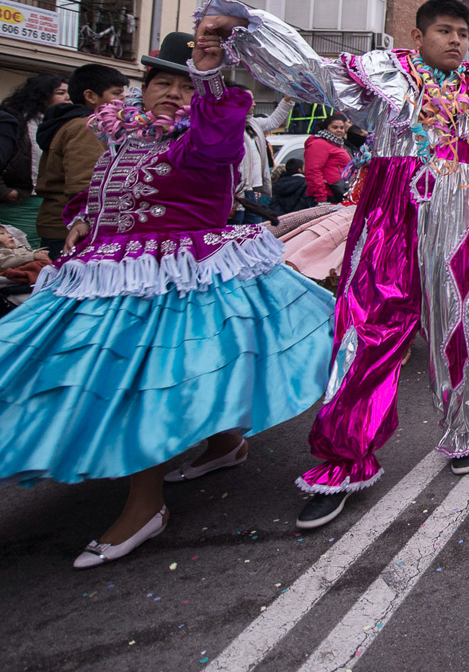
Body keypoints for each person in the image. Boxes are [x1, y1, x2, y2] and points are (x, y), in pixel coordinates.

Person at [196, 0, 469, 529]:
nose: (455, 40)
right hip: (390, 216)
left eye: (462, 33)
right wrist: (246, 26)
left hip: (462, 218)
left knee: (462, 328)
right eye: (444, 31)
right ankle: (343, 458)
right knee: (366, 328)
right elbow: (309, 72)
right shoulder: (383, 80)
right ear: (418, 37)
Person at [0, 31, 334, 567]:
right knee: (105, 373)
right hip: (106, 272)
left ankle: (145, 506)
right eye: (164, 82)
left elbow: (218, 138)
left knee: (142, 386)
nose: (174, 93)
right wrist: (82, 218)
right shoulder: (124, 134)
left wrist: (209, 80)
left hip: (180, 273)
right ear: (143, 88)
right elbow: (100, 189)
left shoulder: (207, 132)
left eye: (186, 85)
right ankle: (226, 445)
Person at [34, 64, 128, 257]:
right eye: (116, 93)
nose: (123, 99)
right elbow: (87, 184)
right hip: (69, 229)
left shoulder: (80, 124)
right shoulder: (86, 128)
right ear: (91, 96)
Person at [0, 74, 68, 243]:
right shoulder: (15, 121)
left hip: (48, 202)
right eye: (60, 92)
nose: (67, 98)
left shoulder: (61, 125)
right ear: (42, 95)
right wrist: (5, 191)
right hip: (19, 202)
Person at [236, 95, 294, 224]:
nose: (254, 104)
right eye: (250, 100)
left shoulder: (253, 123)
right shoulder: (228, 126)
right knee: (236, 230)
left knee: (254, 231)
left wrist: (287, 100)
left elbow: (273, 121)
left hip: (252, 189)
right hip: (237, 191)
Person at [304, 113, 352, 205]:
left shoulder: (337, 144)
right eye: (335, 127)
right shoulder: (319, 144)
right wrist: (321, 197)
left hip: (338, 192)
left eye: (342, 128)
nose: (339, 130)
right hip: (327, 194)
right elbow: (313, 171)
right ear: (326, 128)